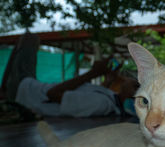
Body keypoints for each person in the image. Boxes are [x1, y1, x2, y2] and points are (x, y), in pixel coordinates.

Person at [1, 32, 139, 118]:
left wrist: (93, 73)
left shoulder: (102, 104)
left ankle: (4, 92)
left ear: (131, 98)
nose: (133, 80)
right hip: (29, 86)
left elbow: (52, 94)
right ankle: (4, 90)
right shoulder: (110, 99)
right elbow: (100, 91)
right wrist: (110, 78)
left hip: (24, 89)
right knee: (26, 42)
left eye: (136, 86)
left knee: (29, 38)